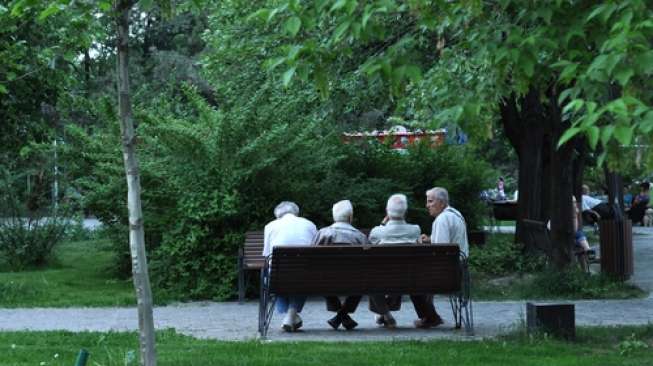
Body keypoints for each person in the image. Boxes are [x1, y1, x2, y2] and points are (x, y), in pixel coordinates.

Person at [368, 194, 442, 329]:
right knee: (402, 274)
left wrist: (383, 223)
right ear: (405, 212)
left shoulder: (377, 232)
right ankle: (385, 314)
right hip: (410, 279)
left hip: (384, 279)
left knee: (371, 278)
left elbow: (373, 239)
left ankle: (384, 313)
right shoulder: (415, 230)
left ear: (387, 211)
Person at [312, 200, 368, 331]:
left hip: (325, 281)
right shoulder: (360, 237)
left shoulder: (322, 233)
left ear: (334, 216)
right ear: (350, 217)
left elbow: (312, 260)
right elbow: (368, 265)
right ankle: (343, 315)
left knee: (320, 277)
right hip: (355, 282)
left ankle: (340, 315)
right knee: (363, 280)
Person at [263, 201, 317, 332]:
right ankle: (292, 315)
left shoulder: (270, 226)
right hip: (306, 276)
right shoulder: (310, 224)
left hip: (278, 276)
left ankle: (290, 314)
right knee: (302, 274)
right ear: (296, 213)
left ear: (277, 215)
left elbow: (266, 255)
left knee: (271, 278)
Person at [422, 187, 469, 257]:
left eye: (430, 201)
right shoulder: (456, 214)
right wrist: (430, 239)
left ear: (442, 203)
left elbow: (440, 251)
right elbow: (451, 238)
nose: (427, 205)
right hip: (461, 263)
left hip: (449, 266)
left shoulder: (442, 219)